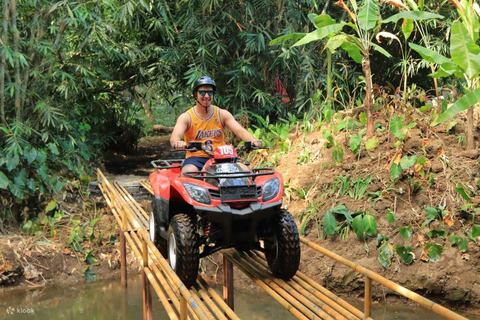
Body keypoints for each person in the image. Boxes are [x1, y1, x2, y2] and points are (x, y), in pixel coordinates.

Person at [170, 76, 262, 175]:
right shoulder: (186, 117)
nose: (206, 96)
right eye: (202, 92)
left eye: (210, 92)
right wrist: (178, 143)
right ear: (195, 94)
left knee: (246, 171)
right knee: (188, 173)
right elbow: (174, 137)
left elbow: (240, 131)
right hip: (196, 158)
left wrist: (253, 141)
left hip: (222, 157)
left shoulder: (222, 114)